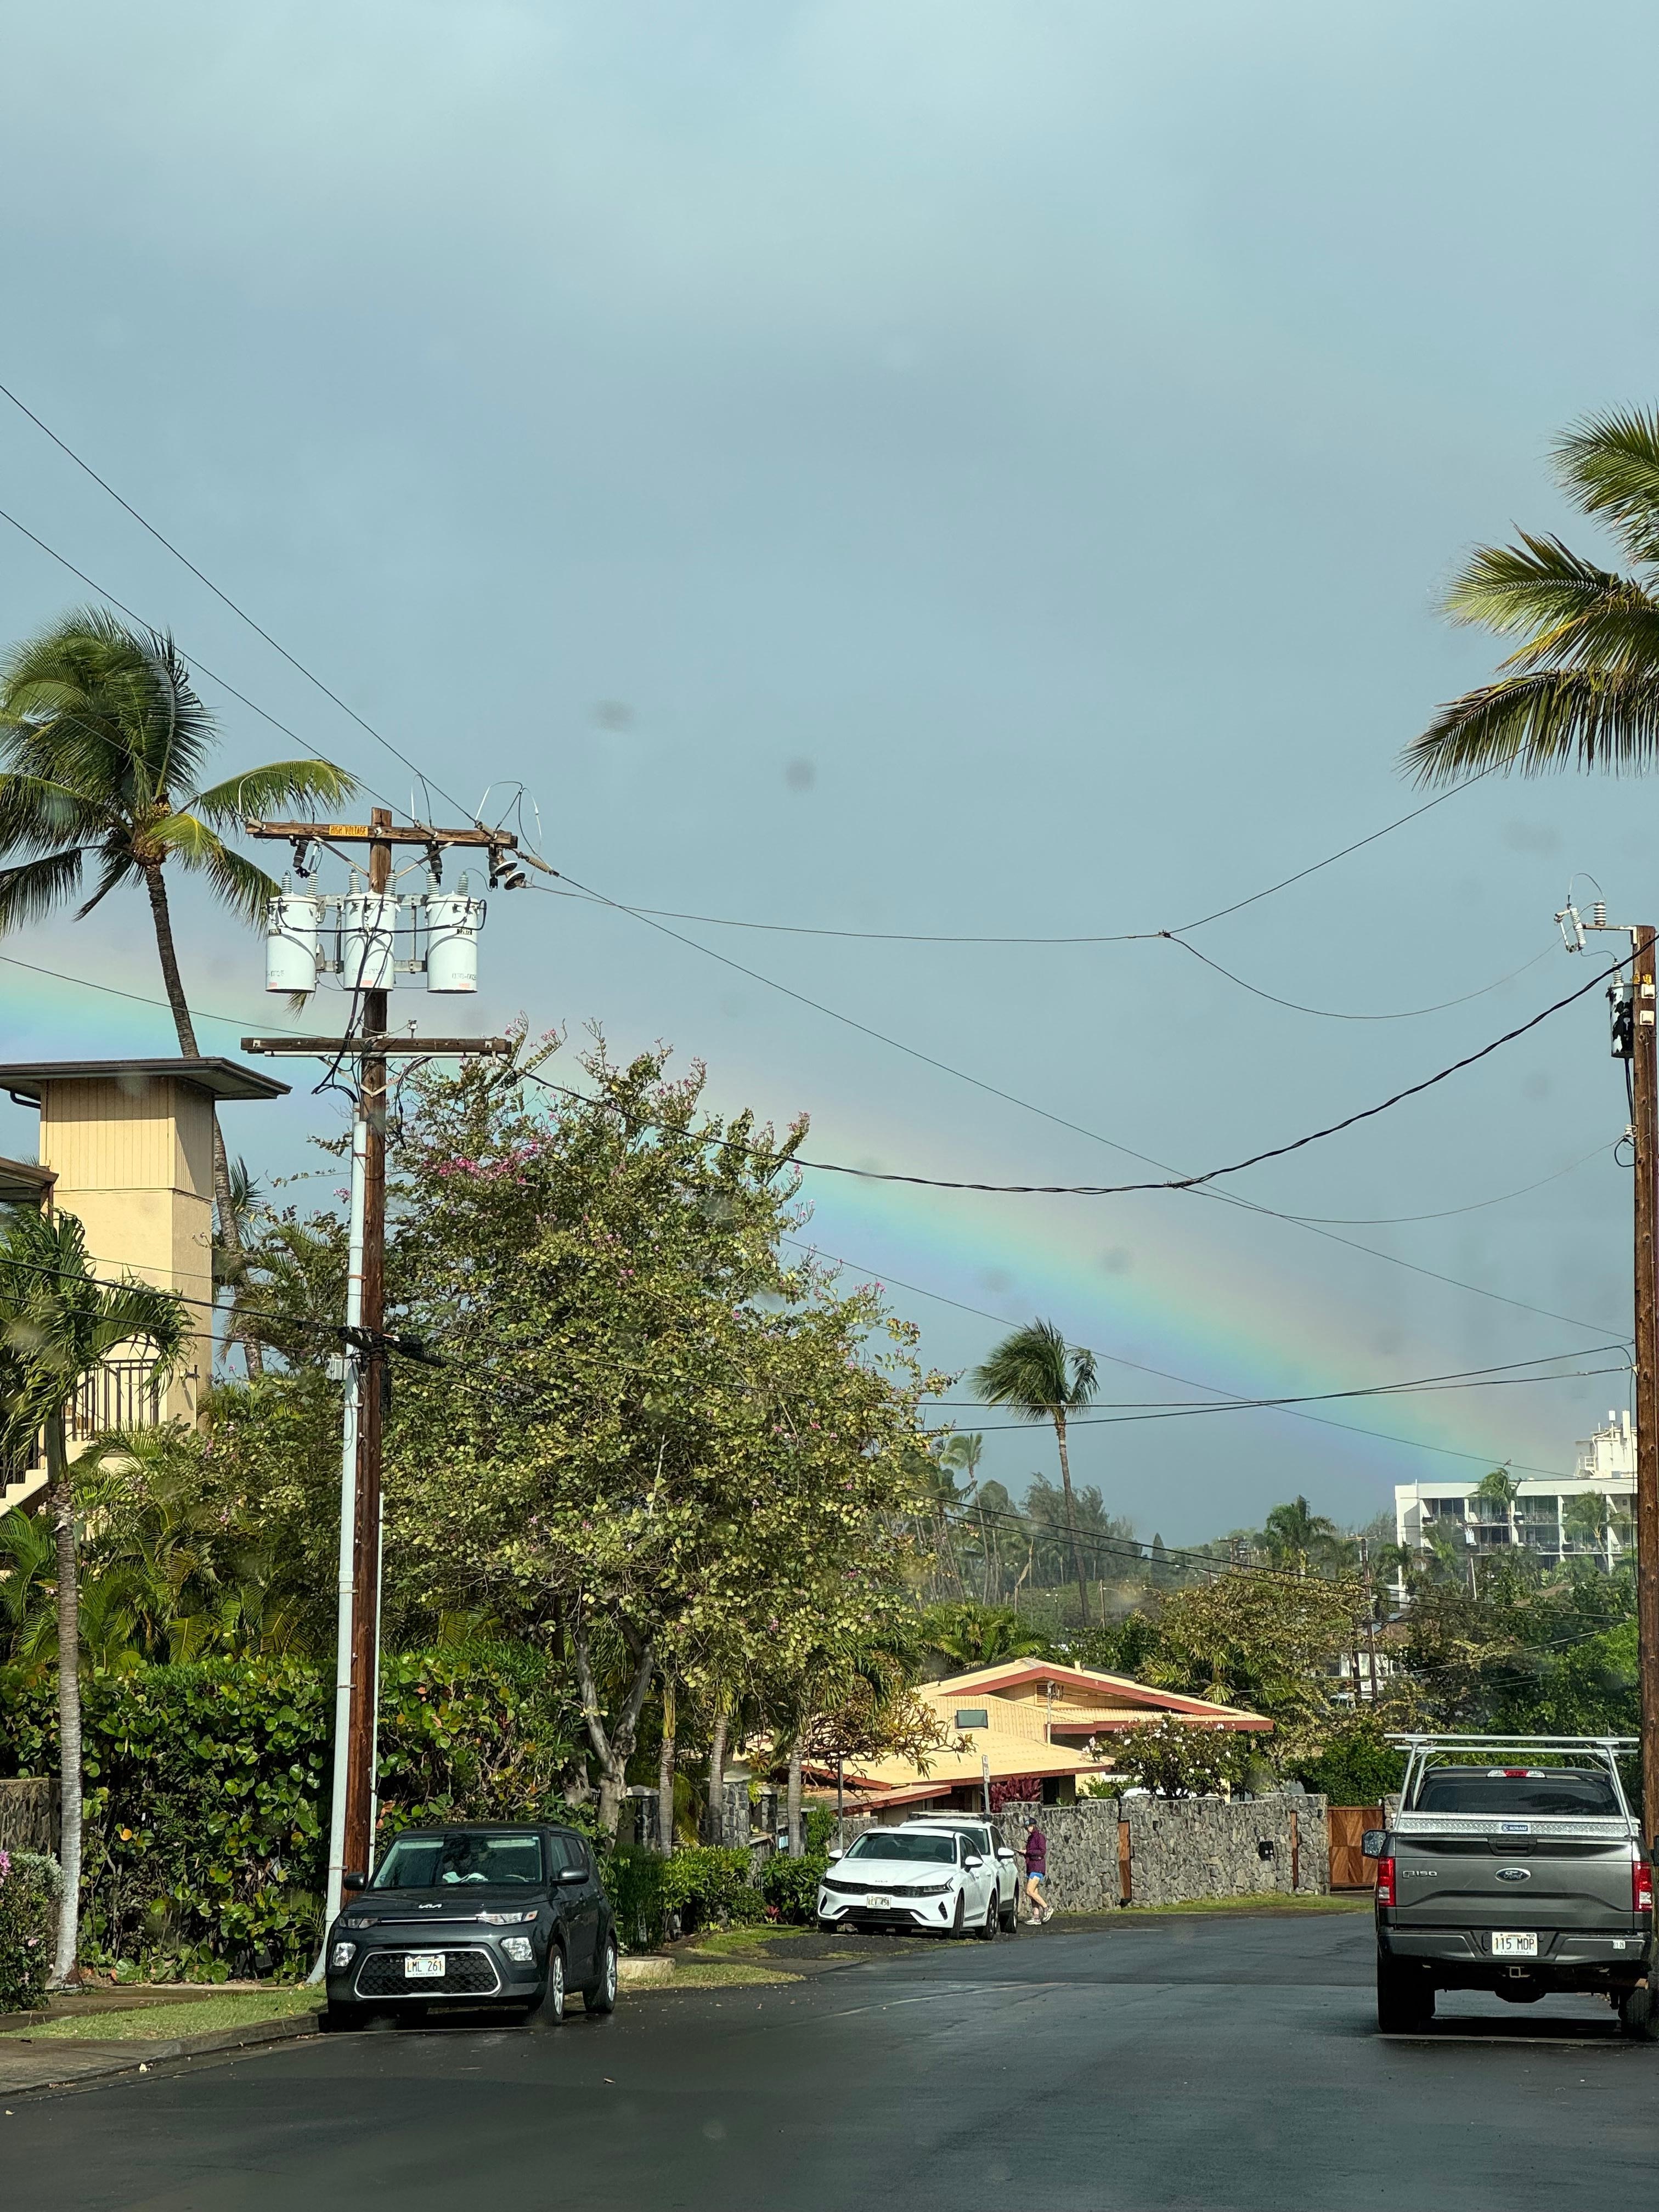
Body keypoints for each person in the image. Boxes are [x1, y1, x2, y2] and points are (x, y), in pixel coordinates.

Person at [1023, 1820, 1051, 1925]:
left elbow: (1042, 1851)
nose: (1028, 1829)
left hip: (1038, 1868)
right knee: (1034, 1894)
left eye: (1029, 1826)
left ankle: (1047, 1908)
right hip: (1030, 1867)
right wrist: (1024, 1853)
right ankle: (1036, 1917)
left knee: (1029, 1891)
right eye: (1026, 1827)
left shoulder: (1040, 1837)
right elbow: (1030, 1852)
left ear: (1034, 1826)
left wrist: (1028, 1852)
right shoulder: (1030, 1838)